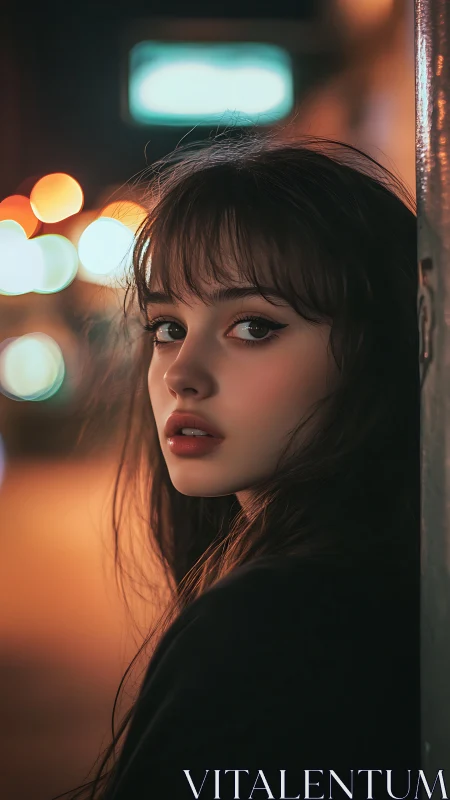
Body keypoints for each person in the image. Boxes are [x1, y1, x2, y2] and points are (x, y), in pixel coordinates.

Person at [59, 132, 420, 800]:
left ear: (380, 350)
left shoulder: (268, 627)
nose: (181, 375)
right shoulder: (386, 580)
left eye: (253, 327)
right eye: (168, 326)